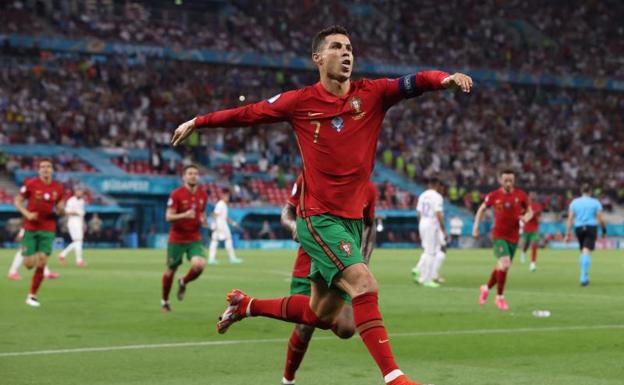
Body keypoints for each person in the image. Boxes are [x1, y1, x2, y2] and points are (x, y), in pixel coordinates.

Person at [172, 25, 471, 385]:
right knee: (364, 285)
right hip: (318, 217)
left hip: (351, 222)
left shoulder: (372, 94)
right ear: (318, 57)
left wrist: (445, 80)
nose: (347, 54)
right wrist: (198, 122)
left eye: (349, 48)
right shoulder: (300, 102)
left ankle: (246, 305)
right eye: (336, 47)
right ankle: (394, 377)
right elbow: (247, 114)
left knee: (325, 315)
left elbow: (415, 81)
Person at [279, 175, 377, 385]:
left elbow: (370, 224)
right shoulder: (310, 174)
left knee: (347, 328)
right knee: (305, 326)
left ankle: (317, 316)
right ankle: (287, 380)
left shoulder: (367, 188)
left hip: (344, 264)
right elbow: (286, 211)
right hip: (309, 261)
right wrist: (294, 226)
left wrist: (364, 260)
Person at [472, 169, 532, 311]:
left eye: (511, 180)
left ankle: (486, 288)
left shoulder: (521, 195)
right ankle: (500, 297)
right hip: (499, 236)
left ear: (514, 181)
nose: (508, 183)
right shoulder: (494, 195)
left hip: (513, 237)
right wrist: (476, 226)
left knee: (502, 266)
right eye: (506, 180)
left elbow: (530, 211)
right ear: (500, 180)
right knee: (505, 263)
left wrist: (526, 217)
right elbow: (481, 209)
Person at [14, 158, 65, 307]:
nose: (45, 169)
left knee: (42, 261)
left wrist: (61, 210)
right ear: (39, 170)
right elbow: (17, 201)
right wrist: (27, 214)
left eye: (48, 166)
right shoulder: (31, 184)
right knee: (29, 264)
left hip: (48, 228)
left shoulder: (58, 188)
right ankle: (30, 250)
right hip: (30, 227)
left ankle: (32, 295)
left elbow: (61, 209)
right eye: (42, 167)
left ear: (52, 170)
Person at [161, 164, 209, 312]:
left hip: (194, 237)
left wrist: (203, 220)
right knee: (171, 270)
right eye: (190, 173)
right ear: (184, 177)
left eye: (195, 173)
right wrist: (184, 215)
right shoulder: (176, 194)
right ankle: (165, 301)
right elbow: (168, 216)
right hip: (177, 238)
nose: (193, 175)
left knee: (199, 265)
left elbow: (202, 213)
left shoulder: (203, 195)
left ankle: (183, 281)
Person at [565, 184, 606, 286]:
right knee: (586, 251)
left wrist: (567, 233)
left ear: (581, 191)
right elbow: (600, 218)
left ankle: (585, 275)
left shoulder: (574, 202)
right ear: (590, 192)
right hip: (591, 227)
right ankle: (583, 276)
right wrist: (604, 230)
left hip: (578, 228)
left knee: (583, 250)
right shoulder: (595, 202)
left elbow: (570, 218)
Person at [412, 178, 448, 287]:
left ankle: (419, 270)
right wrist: (443, 230)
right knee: (431, 252)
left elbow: (418, 212)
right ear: (437, 184)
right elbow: (439, 214)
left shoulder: (422, 195)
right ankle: (426, 279)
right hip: (432, 224)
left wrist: (421, 224)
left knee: (427, 250)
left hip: (423, 222)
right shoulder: (437, 196)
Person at [207, 189, 242, 265]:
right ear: (223, 196)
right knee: (228, 239)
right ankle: (232, 258)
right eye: (226, 196)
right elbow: (214, 214)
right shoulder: (220, 204)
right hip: (220, 225)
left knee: (214, 241)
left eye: (228, 196)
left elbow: (225, 217)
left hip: (220, 224)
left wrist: (234, 223)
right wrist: (214, 225)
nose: (228, 198)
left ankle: (211, 258)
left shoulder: (224, 205)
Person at [58, 187, 87, 267]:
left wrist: (83, 223)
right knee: (78, 241)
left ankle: (62, 255)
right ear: (75, 192)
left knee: (77, 241)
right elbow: (67, 212)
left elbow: (82, 214)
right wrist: (76, 213)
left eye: (81, 192)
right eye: (78, 191)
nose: (79, 193)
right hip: (73, 221)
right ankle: (79, 260)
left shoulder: (82, 201)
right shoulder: (71, 200)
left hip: (79, 221)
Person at [519, 191, 542, 272]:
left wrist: (526, 216)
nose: (532, 197)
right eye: (531, 196)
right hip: (526, 229)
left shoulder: (537, 206)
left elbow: (536, 214)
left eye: (534, 196)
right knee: (526, 244)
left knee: (534, 244)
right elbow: (520, 214)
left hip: (534, 229)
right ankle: (523, 252)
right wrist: (522, 216)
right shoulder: (526, 206)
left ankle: (533, 263)